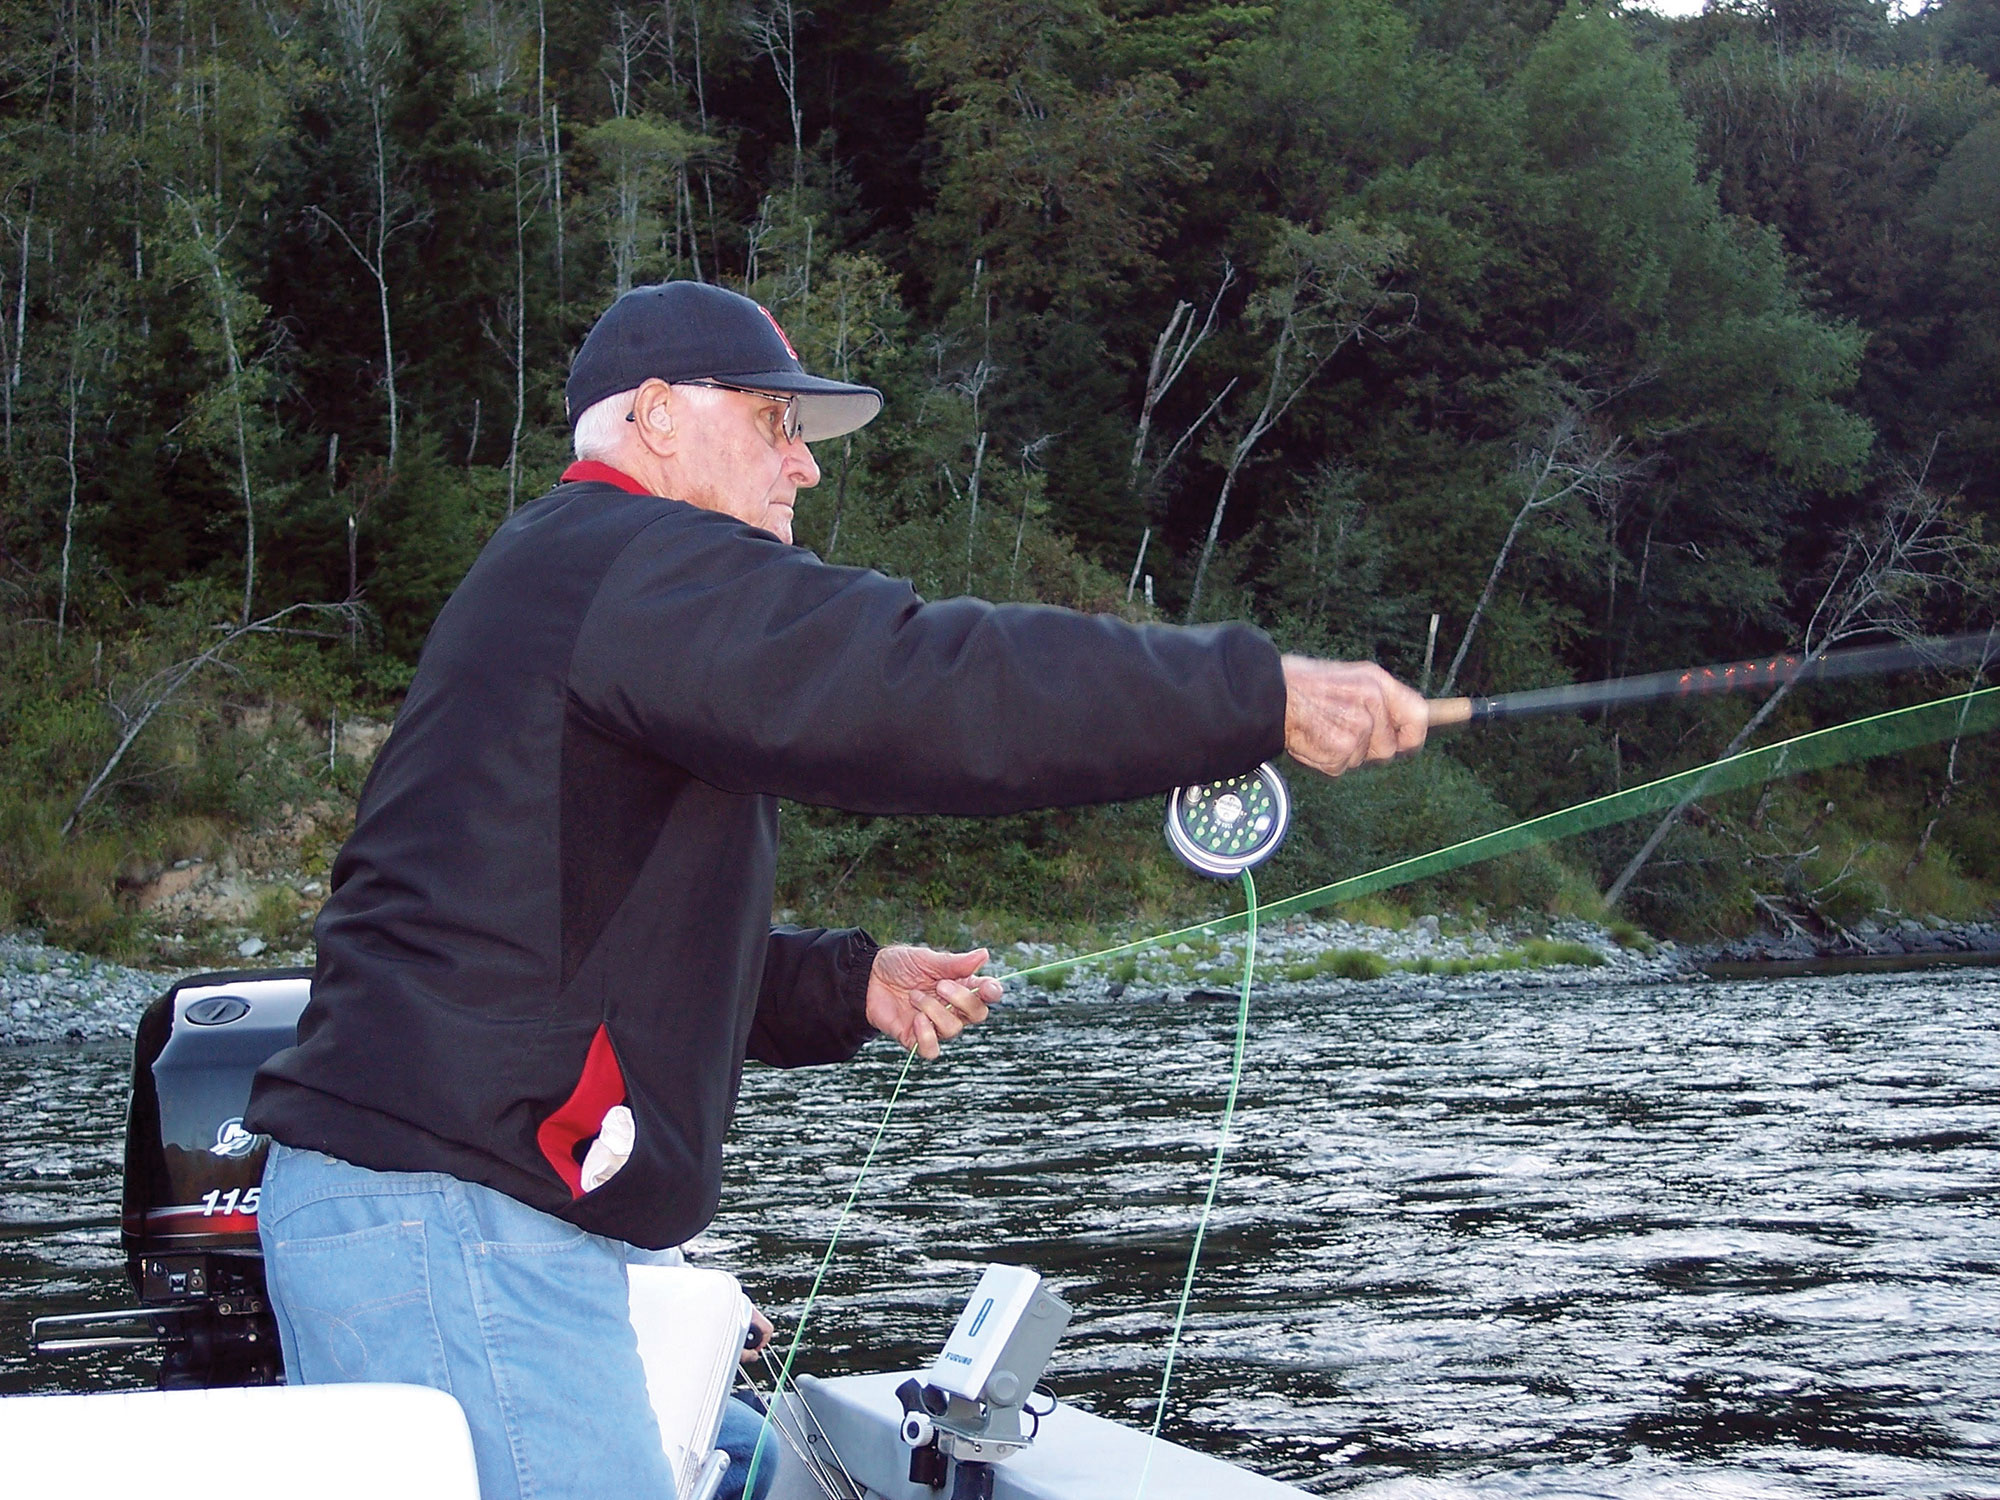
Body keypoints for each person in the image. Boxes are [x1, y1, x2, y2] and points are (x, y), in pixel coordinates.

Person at [244, 281, 1427, 1500]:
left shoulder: (577, 580)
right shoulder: (627, 563)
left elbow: (576, 951)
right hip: (455, 1224)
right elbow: (925, 683)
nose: (802, 468)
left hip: (442, 1213)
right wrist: (1248, 696)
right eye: (776, 424)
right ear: (656, 416)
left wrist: (842, 983)